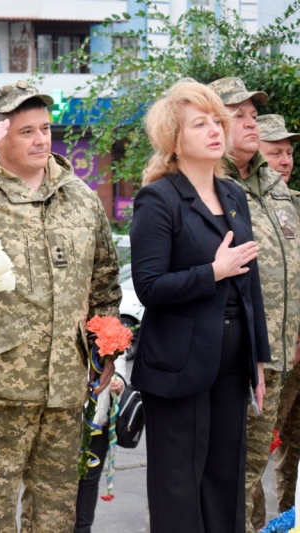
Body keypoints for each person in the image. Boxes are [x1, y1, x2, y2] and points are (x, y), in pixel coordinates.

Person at [0, 80, 121, 533]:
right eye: (25, 131)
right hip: (0, 380)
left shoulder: (79, 197)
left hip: (66, 381)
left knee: (56, 513)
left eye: (44, 128)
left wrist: (107, 348)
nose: (42, 139)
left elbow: (104, 280)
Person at [130, 79, 269, 533]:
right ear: (175, 139)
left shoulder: (233, 196)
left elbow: (251, 283)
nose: (214, 130)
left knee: (225, 480)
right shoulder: (158, 199)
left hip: (230, 363)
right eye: (199, 123)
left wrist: (258, 360)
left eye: (217, 121)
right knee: (178, 487)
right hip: (177, 366)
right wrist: (213, 271)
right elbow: (149, 287)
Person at [207, 78, 300, 533]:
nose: (249, 122)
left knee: (253, 469)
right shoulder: (206, 182)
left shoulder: (273, 186)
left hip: (280, 353)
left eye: (250, 114)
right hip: (234, 353)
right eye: (239, 114)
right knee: (232, 472)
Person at [257, 113, 300, 514]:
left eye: (289, 153)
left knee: (294, 447)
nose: (285, 160)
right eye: (276, 153)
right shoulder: (238, 202)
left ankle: (289, 519)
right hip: (270, 353)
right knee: (256, 450)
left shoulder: (296, 205)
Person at [73, 357, 126, 533]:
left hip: (97, 418)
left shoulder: (109, 329)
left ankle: (82, 529)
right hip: (64, 419)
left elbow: (118, 359)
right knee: (59, 480)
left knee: (89, 480)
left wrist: (119, 381)